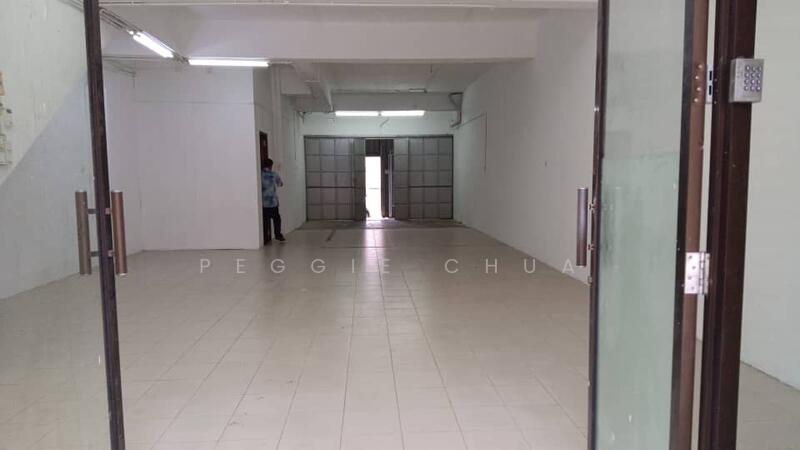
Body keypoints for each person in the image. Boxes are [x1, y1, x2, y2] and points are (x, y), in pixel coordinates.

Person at [261, 158, 285, 243]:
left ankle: (265, 237)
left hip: (264, 202)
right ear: (271, 165)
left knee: (265, 220)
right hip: (273, 202)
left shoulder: (260, 175)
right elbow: (280, 184)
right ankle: (278, 234)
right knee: (277, 219)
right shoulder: (274, 174)